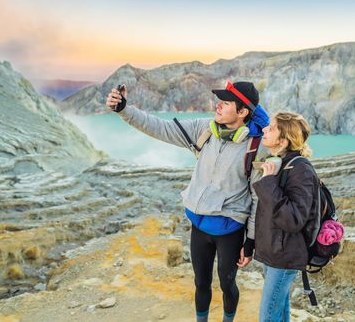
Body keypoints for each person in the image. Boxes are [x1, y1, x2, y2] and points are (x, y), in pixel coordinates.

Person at [106, 81, 269, 322]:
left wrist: (251, 241)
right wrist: (124, 110)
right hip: (199, 226)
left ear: (243, 112)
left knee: (227, 283)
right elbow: (160, 127)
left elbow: (257, 197)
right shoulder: (205, 129)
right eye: (219, 101)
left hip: (229, 230)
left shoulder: (256, 147)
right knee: (201, 282)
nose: (218, 106)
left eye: (226, 103)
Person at [250, 112, 317, 322]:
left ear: (284, 139)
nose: (264, 130)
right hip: (275, 253)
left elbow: (294, 219)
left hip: (285, 256)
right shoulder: (280, 162)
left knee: (268, 316)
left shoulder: (301, 169)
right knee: (280, 312)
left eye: (271, 128)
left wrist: (269, 182)